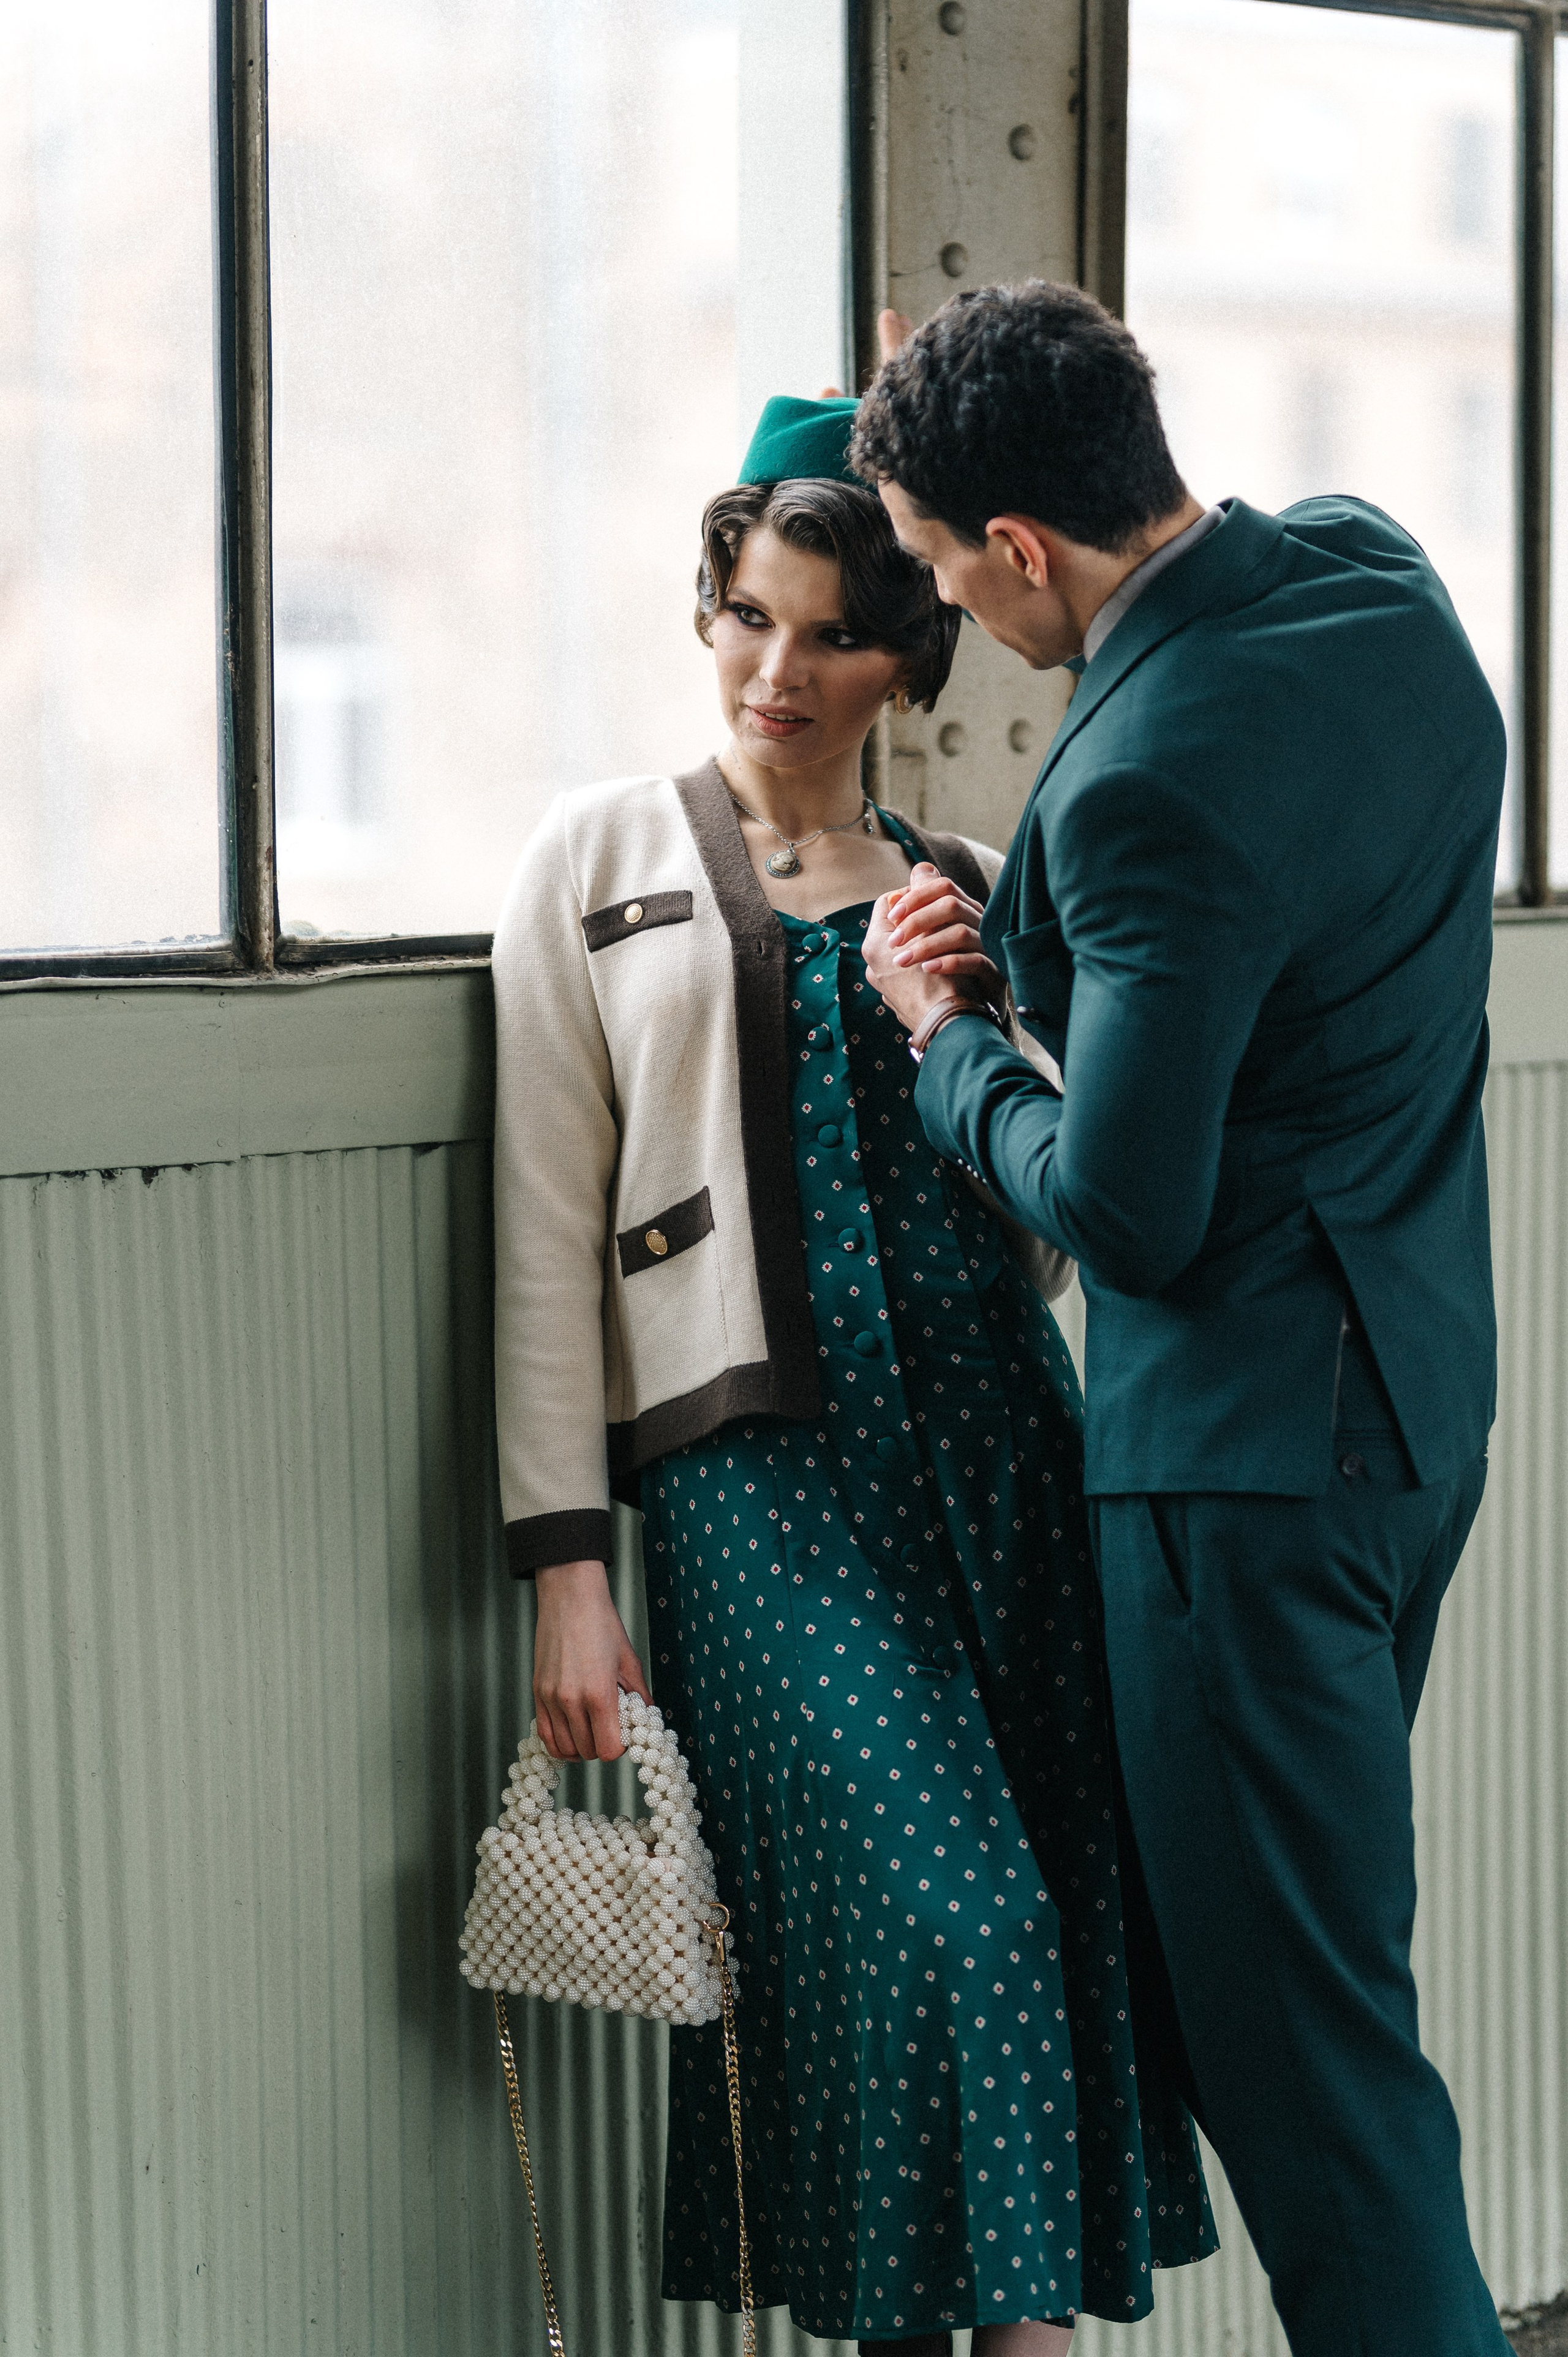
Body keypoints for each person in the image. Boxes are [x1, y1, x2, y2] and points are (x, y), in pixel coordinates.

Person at [490, 393, 1217, 2355]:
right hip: (763, 1499)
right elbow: (548, 1243)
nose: (772, 670)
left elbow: (1056, 1230)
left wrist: (973, 1021)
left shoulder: (967, 873)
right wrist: (569, 1563)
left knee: (1048, 1934)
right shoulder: (593, 862)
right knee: (938, 1937)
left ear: (913, 654)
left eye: (827, 633)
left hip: (1000, 1459)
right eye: (742, 615)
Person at [851, 279, 1510, 2357]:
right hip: (1409, 1421)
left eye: (947, 564)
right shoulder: (1377, 575)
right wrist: (1080, 966)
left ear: (1021, 547)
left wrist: (953, 1029)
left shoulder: (1145, 783)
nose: (958, 606)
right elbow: (1279, 971)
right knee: (1324, 2013)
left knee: (1313, 2091)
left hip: (1239, 1479)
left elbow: (1126, 1208)